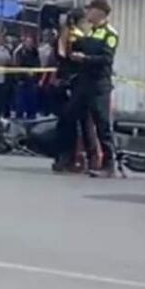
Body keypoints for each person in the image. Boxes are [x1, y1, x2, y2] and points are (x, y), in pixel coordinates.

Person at [52, 9, 98, 173]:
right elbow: (69, 57)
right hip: (74, 82)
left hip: (67, 81)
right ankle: (74, 157)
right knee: (76, 121)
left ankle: (68, 157)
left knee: (72, 121)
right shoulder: (76, 37)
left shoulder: (67, 34)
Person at [82, 0, 120, 177]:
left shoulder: (110, 34)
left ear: (99, 12)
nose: (87, 13)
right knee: (83, 120)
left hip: (100, 85)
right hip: (86, 83)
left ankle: (109, 164)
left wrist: (85, 59)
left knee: (102, 124)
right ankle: (89, 159)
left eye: (90, 10)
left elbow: (106, 59)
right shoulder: (91, 32)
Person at [13, 31, 41, 119]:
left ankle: (31, 115)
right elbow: (17, 65)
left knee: (32, 99)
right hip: (22, 79)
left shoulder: (35, 52)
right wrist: (20, 78)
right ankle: (19, 115)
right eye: (28, 42)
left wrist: (36, 76)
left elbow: (38, 64)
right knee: (20, 99)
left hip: (32, 79)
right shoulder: (19, 52)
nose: (30, 43)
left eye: (31, 42)